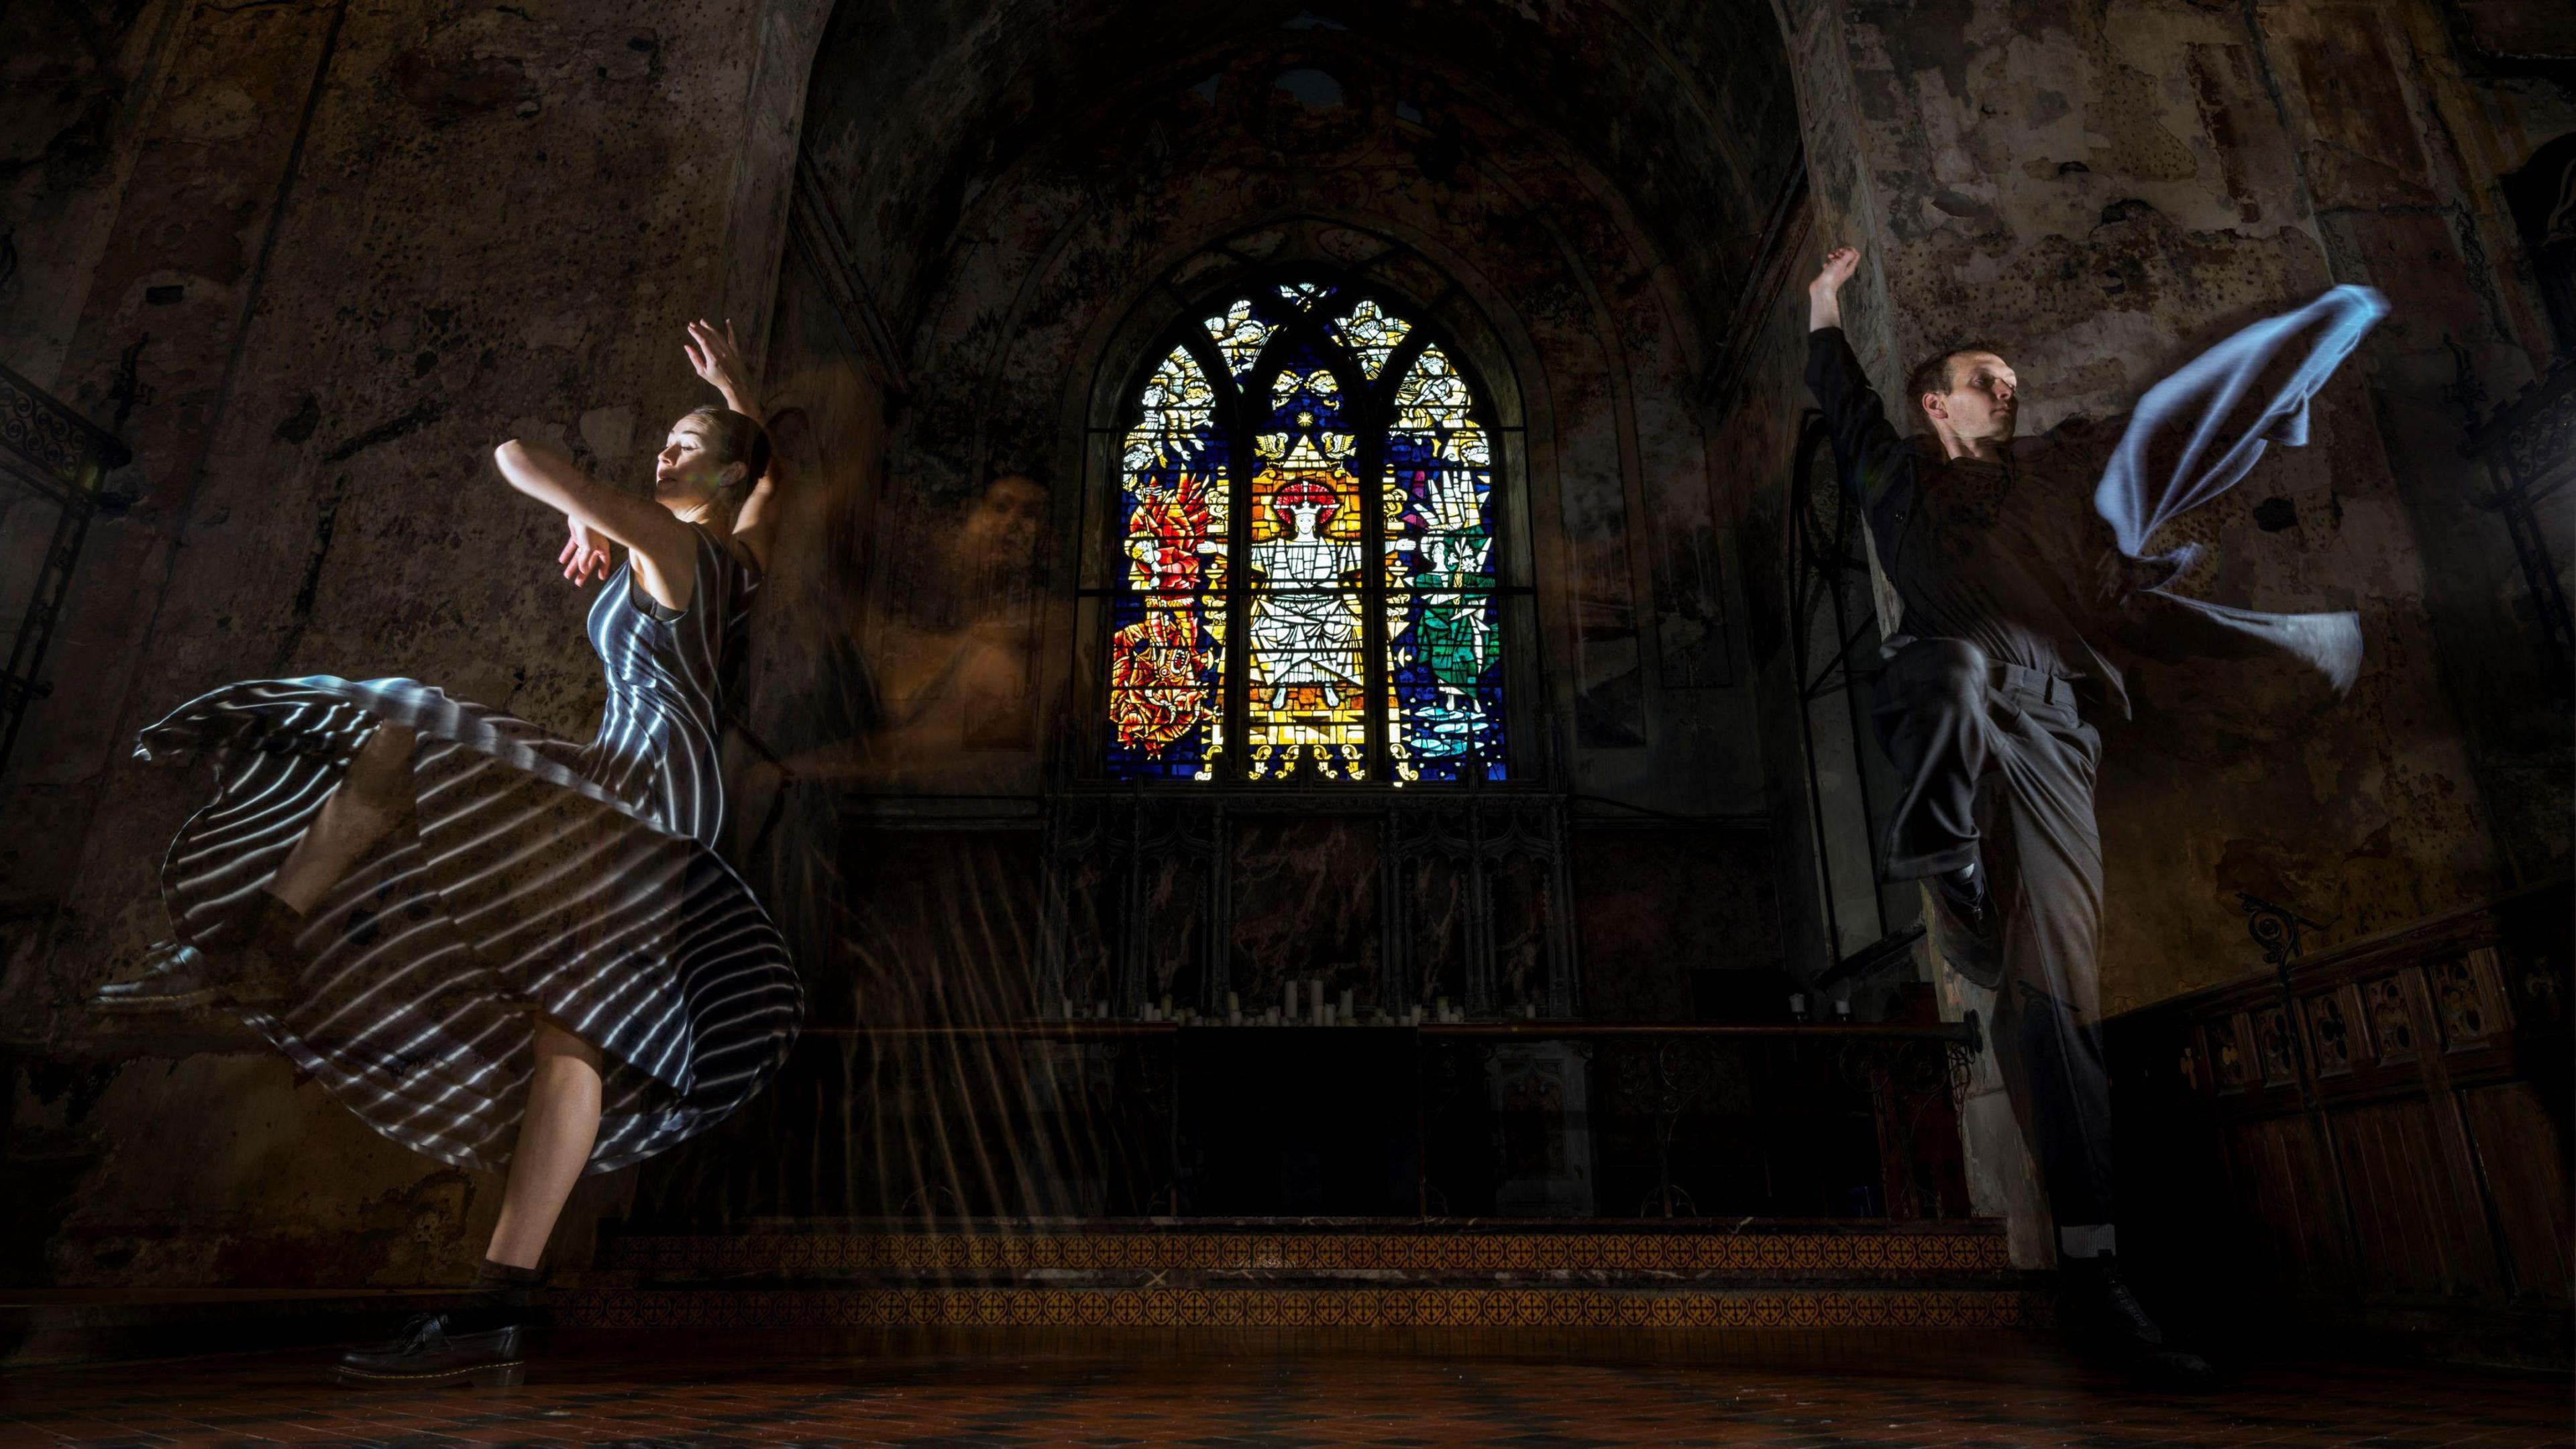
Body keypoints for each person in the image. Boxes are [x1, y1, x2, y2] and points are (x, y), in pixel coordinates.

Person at [91, 319, 806, 1387]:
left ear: (725, 471)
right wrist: (736, 395)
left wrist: (586, 507)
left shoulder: (679, 549)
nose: (664, 452)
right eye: (663, 436)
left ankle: (263, 941)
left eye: (687, 441)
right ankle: (498, 1304)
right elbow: (769, 492)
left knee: (417, 732)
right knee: (571, 1024)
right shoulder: (738, 556)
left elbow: (517, 458)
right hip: (644, 783)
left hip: (650, 792)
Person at [1803, 244, 2382, 1381]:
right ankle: (1947, 867)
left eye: (2013, 378)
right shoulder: (1893, 476)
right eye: (1985, 377)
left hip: (2059, 724)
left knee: (2056, 999)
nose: (2007, 387)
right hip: (1955, 692)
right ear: (1936, 402)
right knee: (1939, 670)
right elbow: (1841, 401)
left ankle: (2094, 1270)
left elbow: (2163, 439)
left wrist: (2298, 353)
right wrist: (1823, 306)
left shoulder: (2063, 473)